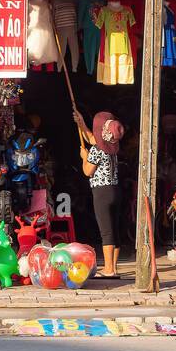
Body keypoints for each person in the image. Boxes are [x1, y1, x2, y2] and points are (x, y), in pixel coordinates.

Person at [75, 109, 124, 278]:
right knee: (114, 230)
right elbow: (91, 138)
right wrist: (81, 122)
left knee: (106, 232)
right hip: (115, 191)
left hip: (102, 192)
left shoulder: (96, 150)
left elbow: (87, 171)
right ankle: (114, 267)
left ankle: (108, 269)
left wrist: (84, 156)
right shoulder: (113, 147)